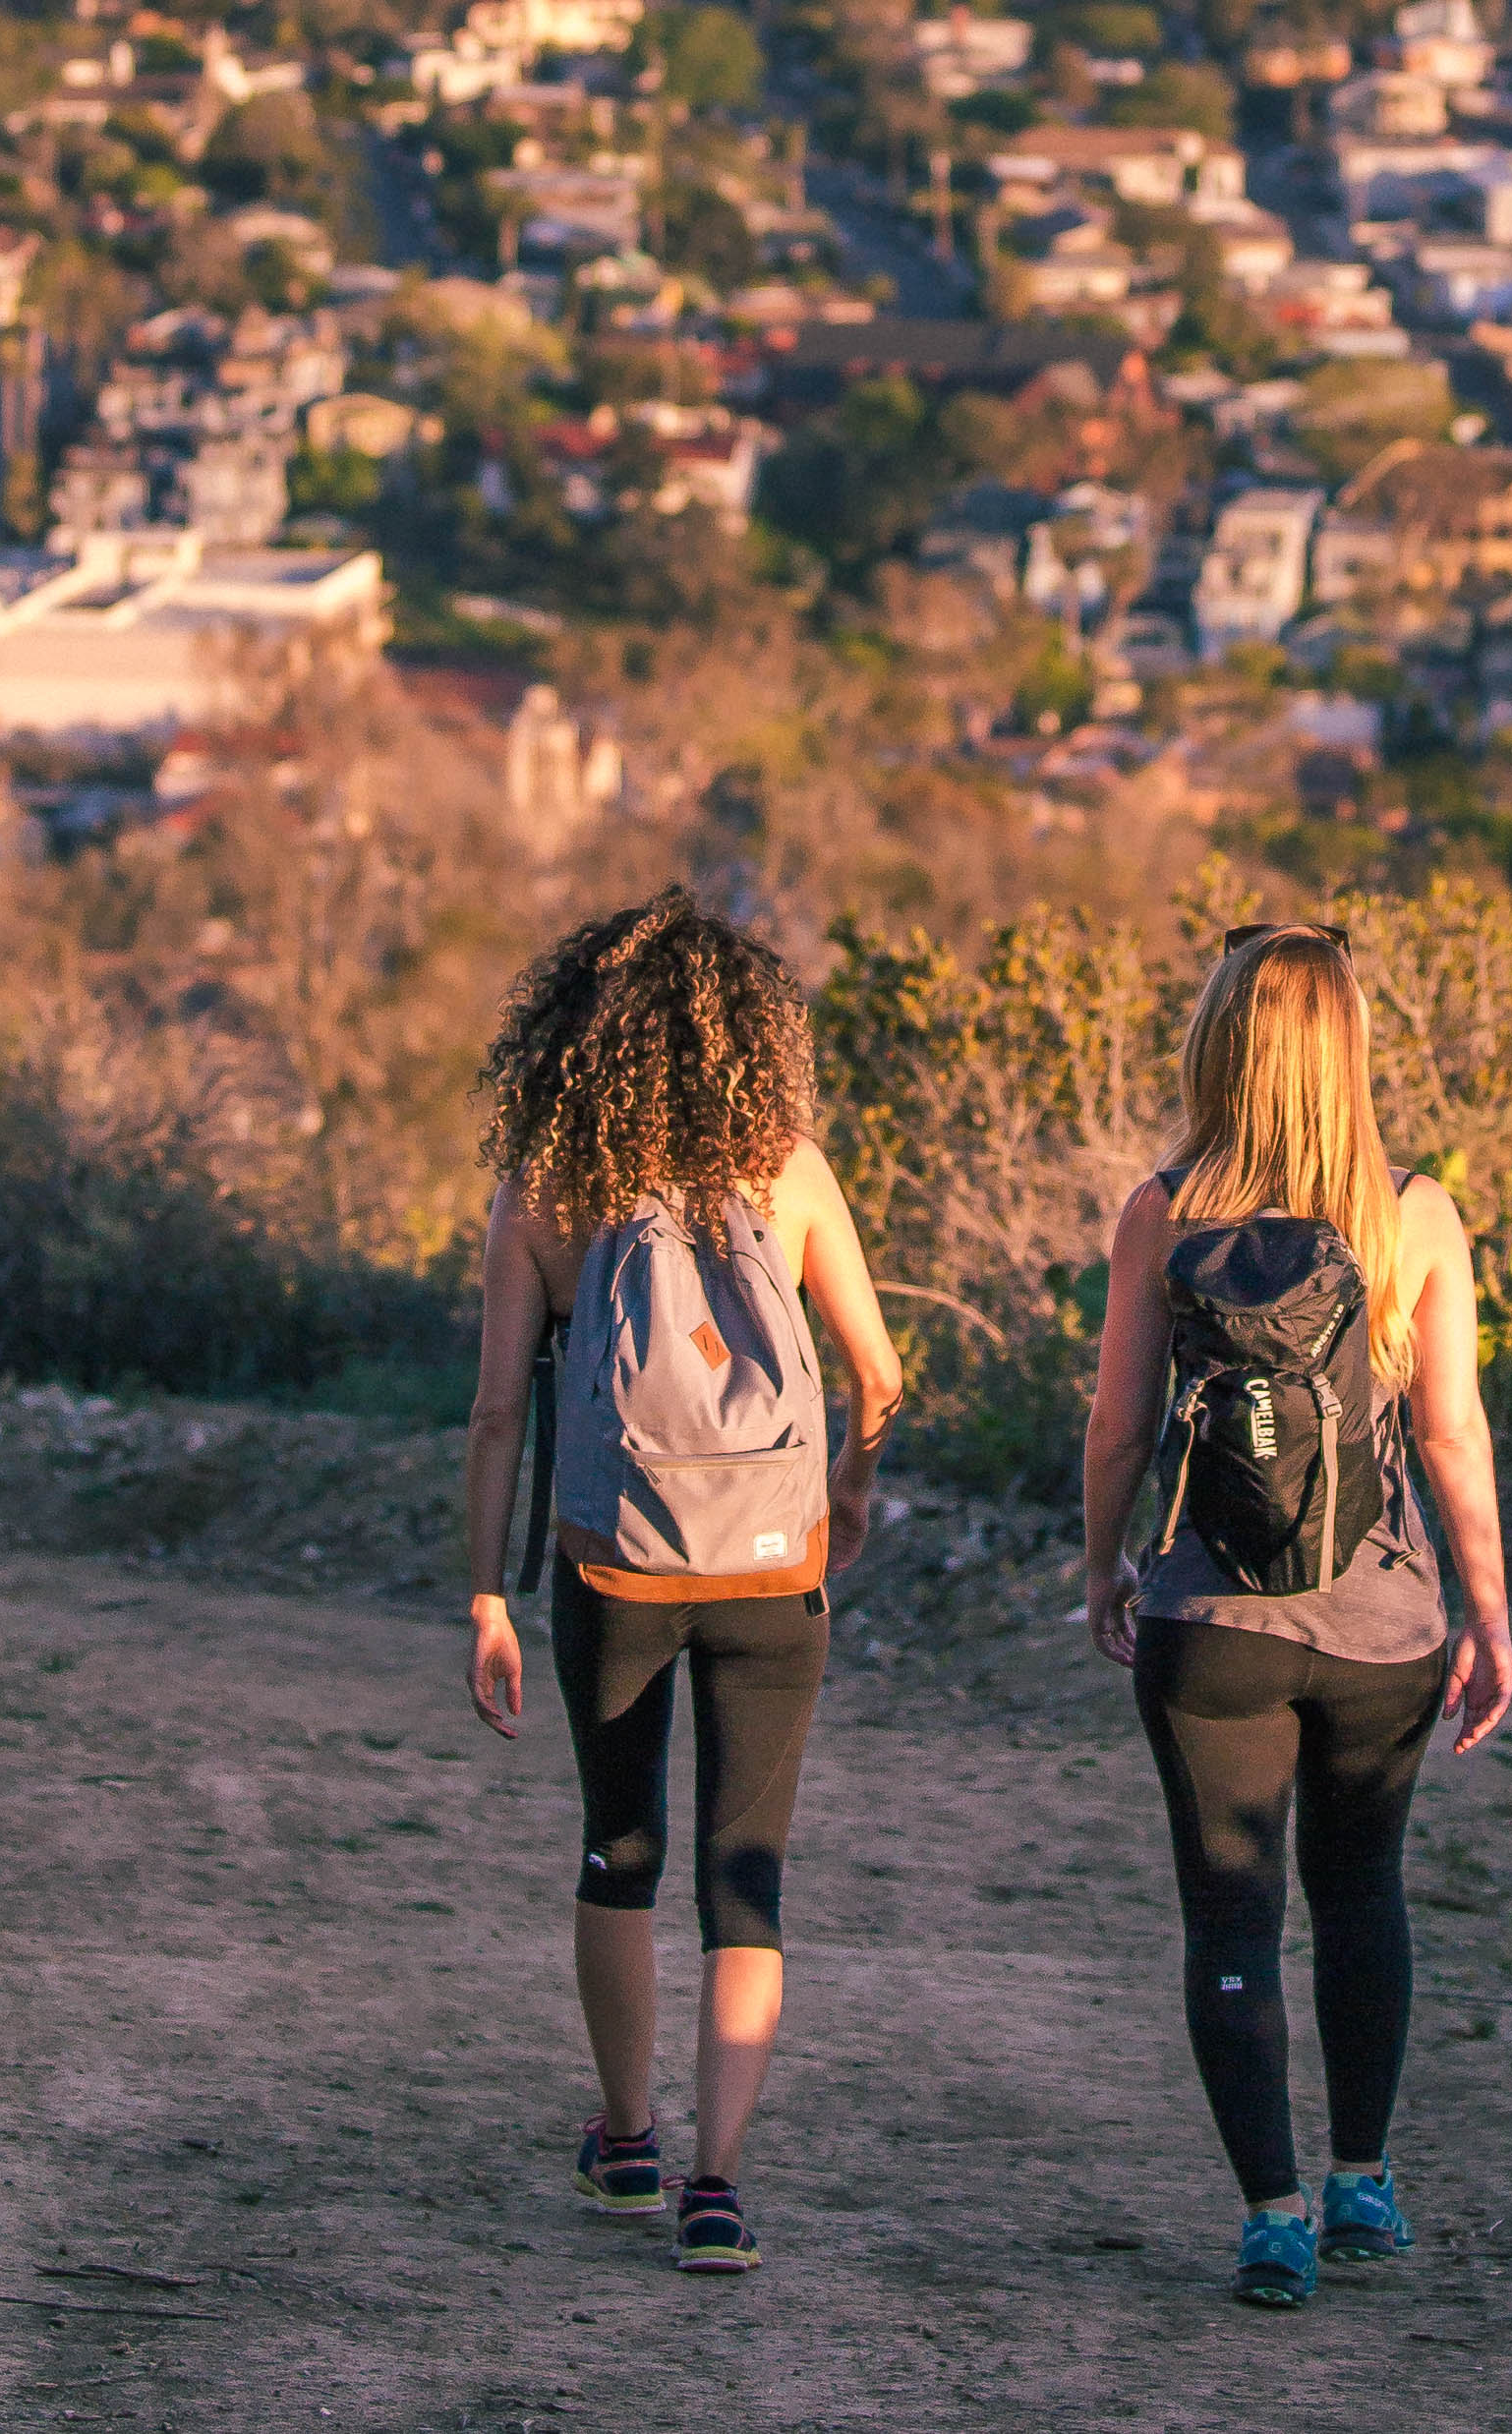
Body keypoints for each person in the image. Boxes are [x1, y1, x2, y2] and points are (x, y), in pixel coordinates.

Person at [463, 891, 903, 2276]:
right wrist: (845, 1492)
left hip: (615, 1569)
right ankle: (716, 2186)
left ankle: (627, 2137)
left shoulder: (547, 1184)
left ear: (577, 1036)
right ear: (744, 1037)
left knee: (619, 1849)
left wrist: (486, 1593)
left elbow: (490, 1416)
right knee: (745, 1877)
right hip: (775, 1573)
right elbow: (880, 1377)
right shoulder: (793, 1170)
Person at [1082, 920, 1512, 2311]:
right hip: (1383, 1626)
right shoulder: (1414, 1212)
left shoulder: (1162, 1210)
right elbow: (1449, 1434)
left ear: (1219, 1045)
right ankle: (1362, 2185)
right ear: (1350, 1051)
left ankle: (1269, 2217)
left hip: (1210, 1620)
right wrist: (1489, 1614)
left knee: (1230, 1915)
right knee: (1359, 1892)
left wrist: (1103, 1566)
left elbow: (1116, 1422)